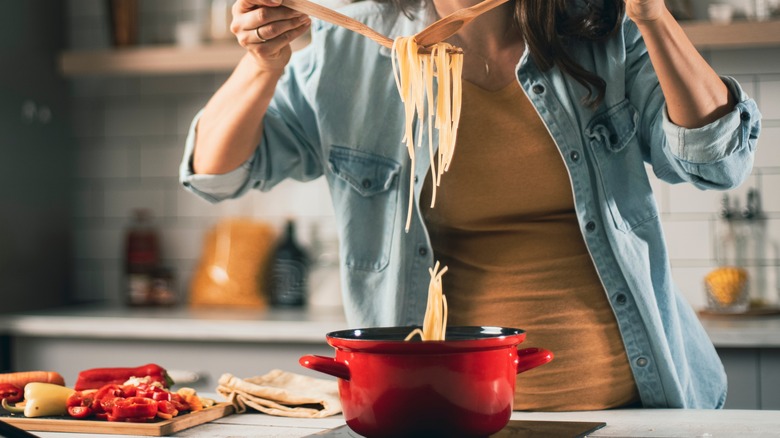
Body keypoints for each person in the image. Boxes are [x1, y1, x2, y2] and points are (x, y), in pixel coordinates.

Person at [180, 0, 761, 411]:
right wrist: (261, 64)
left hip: (636, 403)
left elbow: (714, 163)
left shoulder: (603, 27)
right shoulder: (351, 48)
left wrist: (653, 17)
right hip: (434, 415)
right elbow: (218, 173)